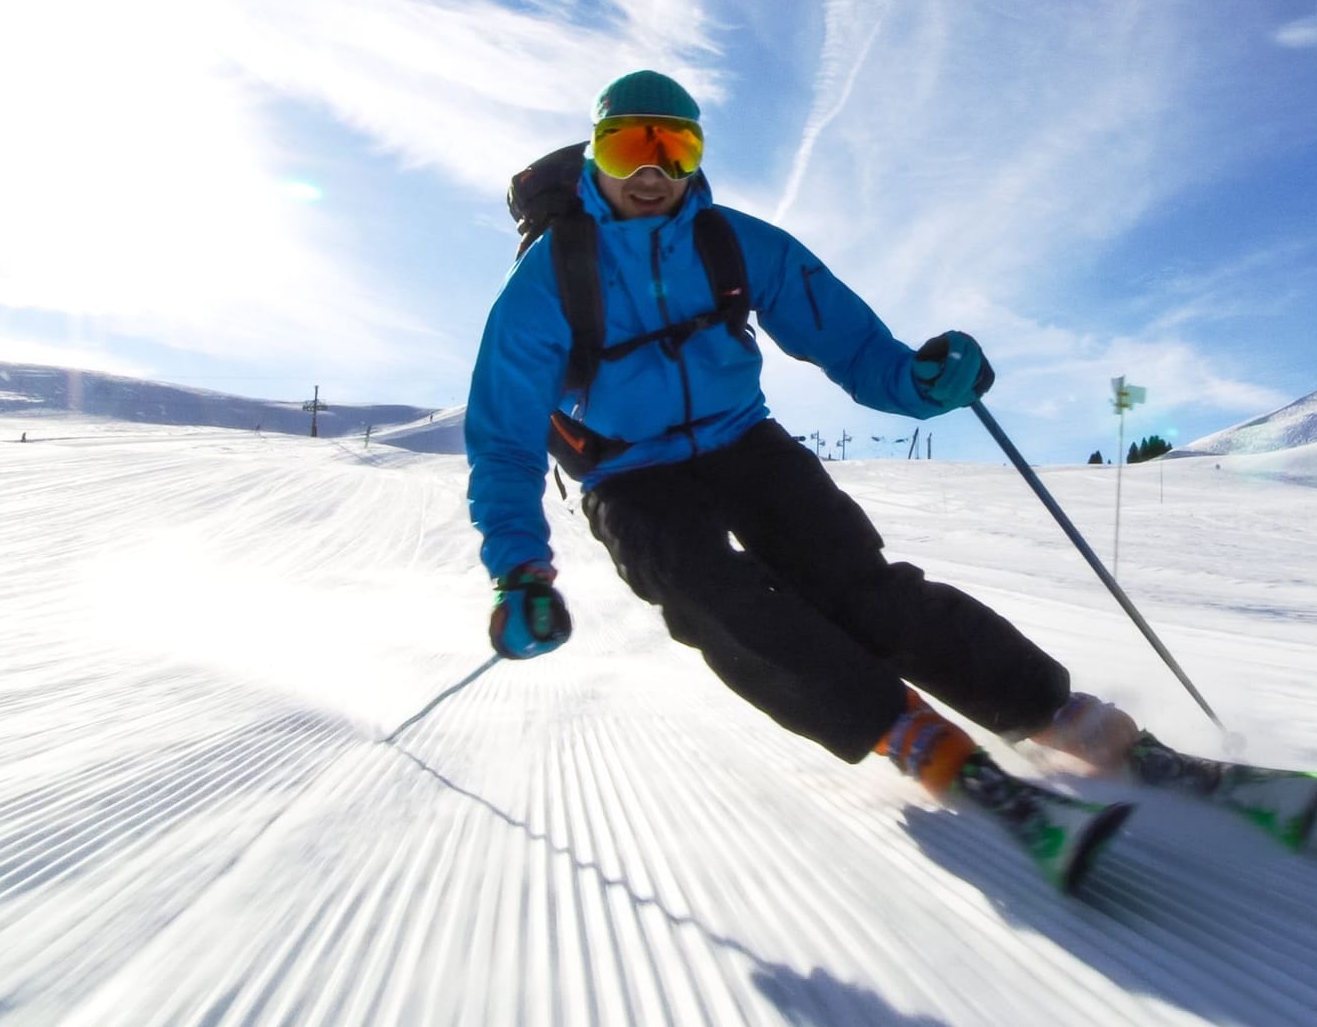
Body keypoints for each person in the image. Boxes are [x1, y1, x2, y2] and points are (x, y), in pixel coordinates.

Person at [465, 69, 1139, 815]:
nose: (652, 173)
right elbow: (504, 438)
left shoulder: (737, 242)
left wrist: (921, 382)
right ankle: (907, 733)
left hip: (740, 439)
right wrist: (519, 568)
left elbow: (852, 347)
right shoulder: (545, 281)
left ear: (697, 156)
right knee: (712, 595)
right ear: (597, 157)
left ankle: (1063, 718)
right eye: (629, 148)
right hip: (628, 470)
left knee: (858, 584)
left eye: (675, 148)